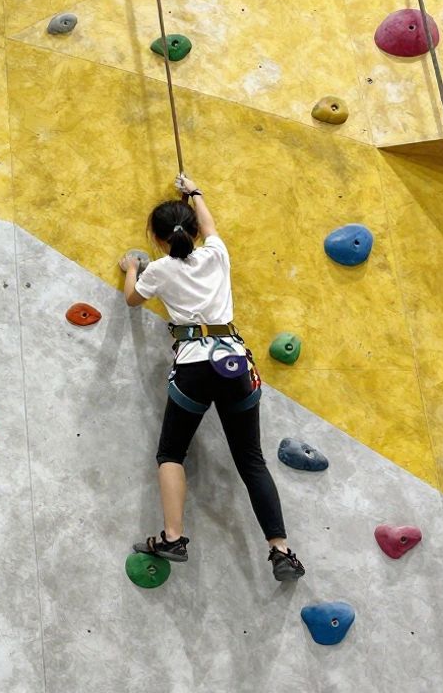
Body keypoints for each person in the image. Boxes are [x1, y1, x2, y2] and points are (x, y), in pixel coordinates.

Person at [120, 174, 305, 583]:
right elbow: (211, 229)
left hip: (194, 367)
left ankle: (174, 537)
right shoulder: (216, 255)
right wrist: (196, 192)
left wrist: (133, 268)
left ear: (156, 237)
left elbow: (132, 299)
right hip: (235, 361)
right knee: (251, 460)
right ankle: (282, 551)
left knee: (171, 453)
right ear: (191, 229)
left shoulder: (160, 270)